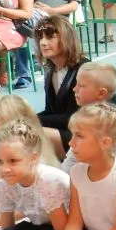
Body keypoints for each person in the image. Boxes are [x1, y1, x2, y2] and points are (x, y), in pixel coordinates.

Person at [34, 16, 91, 159]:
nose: (43, 43)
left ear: (66, 38)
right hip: (67, 130)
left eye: (50, 37)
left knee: (28, 132)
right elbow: (51, 111)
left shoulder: (84, 69)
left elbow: (73, 117)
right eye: (40, 37)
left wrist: (32, 119)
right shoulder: (51, 70)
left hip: (88, 134)